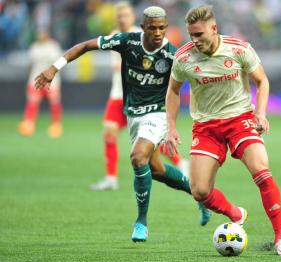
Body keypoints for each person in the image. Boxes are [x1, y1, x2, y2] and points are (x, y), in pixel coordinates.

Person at [34, 5, 211, 242]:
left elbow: (190, 85)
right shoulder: (127, 41)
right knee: (156, 170)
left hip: (157, 114)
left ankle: (141, 222)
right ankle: (200, 195)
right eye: (152, 28)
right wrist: (54, 67)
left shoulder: (172, 54)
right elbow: (85, 46)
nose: (158, 32)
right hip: (133, 115)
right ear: (143, 28)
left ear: (166, 28)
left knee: (138, 157)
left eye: (162, 28)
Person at [165, 5, 281, 256]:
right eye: (191, 35)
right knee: (200, 191)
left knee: (262, 171)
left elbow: (262, 80)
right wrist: (170, 126)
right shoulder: (183, 57)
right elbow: (172, 90)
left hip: (240, 120)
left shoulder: (238, 48)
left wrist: (260, 113)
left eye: (199, 34)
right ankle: (235, 213)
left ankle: (280, 238)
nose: (195, 40)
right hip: (205, 127)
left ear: (214, 29)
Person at [90, 1, 189, 191]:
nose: (122, 18)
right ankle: (111, 177)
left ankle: (180, 162)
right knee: (109, 133)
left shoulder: (145, 34)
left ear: (133, 18)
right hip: (118, 94)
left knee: (148, 141)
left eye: (126, 15)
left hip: (144, 98)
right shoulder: (115, 37)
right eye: (119, 16)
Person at [18, 29, 63, 138]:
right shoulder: (34, 47)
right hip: (35, 79)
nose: (41, 35)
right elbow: (30, 64)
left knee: (54, 103)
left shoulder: (53, 47)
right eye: (39, 33)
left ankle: (56, 125)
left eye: (43, 33)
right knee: (32, 102)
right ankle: (29, 124)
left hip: (52, 81)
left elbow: (59, 63)